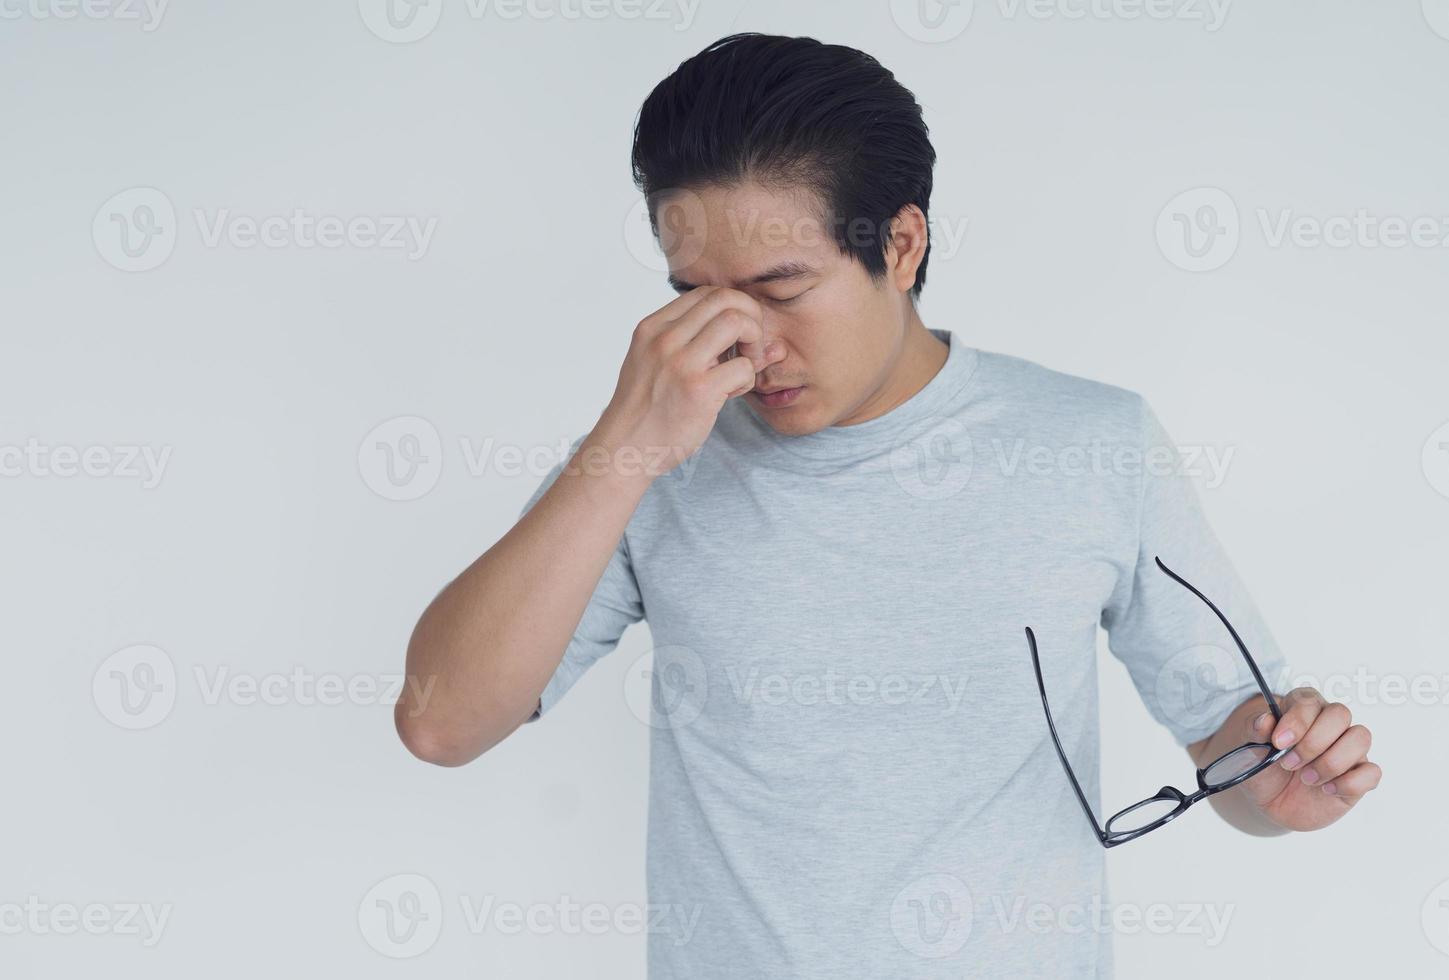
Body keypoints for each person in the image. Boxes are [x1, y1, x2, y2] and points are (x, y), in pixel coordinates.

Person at [394, 32, 1381, 979]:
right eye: (696, 295)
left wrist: (1277, 787)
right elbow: (441, 723)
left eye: (782, 287)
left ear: (901, 244)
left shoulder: (1095, 442)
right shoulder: (654, 450)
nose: (745, 344)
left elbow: (1232, 740)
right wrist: (625, 448)